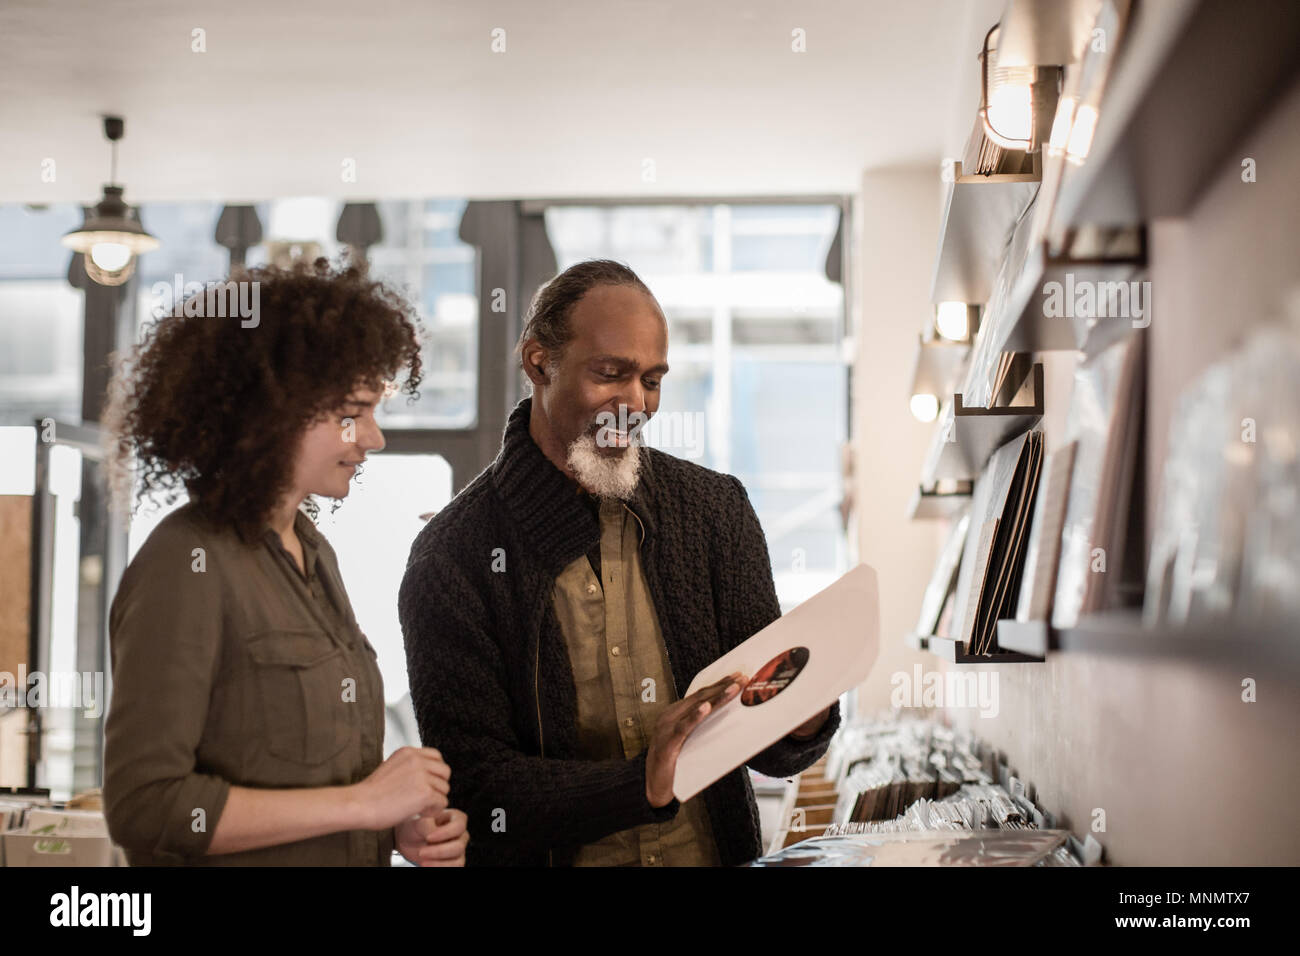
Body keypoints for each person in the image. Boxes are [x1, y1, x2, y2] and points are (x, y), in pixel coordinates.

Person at [398, 259, 838, 866]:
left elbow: (768, 745)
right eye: (611, 374)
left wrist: (802, 714)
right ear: (538, 362)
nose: (635, 404)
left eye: (653, 380)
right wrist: (642, 784)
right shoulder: (452, 556)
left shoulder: (715, 511)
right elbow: (477, 791)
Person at [102, 258, 467, 866]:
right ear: (269, 413)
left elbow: (300, 781)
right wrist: (362, 806)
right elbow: (145, 807)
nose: (373, 438)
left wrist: (393, 828)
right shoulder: (186, 563)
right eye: (353, 411)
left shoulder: (314, 553)